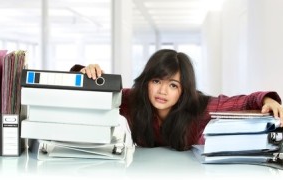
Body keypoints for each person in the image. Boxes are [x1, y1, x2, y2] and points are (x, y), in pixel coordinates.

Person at [70, 49, 283, 151]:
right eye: (156, 81)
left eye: (173, 85)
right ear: (146, 82)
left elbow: (244, 102)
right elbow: (95, 95)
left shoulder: (200, 106)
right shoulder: (133, 99)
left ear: (183, 90)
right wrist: (84, 72)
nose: (162, 91)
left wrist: (268, 100)